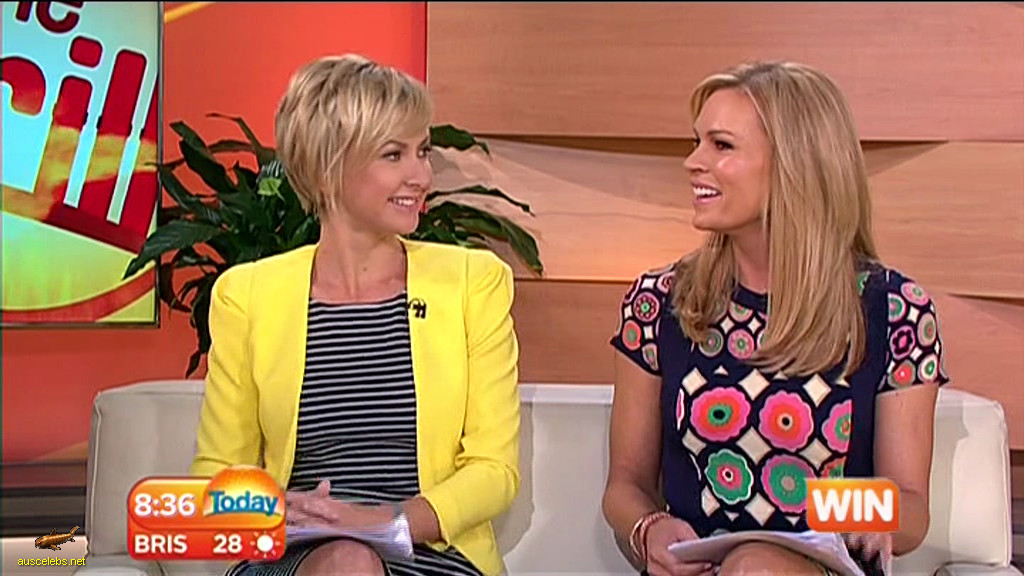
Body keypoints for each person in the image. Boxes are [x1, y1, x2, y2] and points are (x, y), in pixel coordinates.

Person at [603, 60, 949, 576]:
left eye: (721, 146)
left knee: (756, 568)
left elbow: (912, 507)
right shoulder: (658, 303)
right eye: (697, 142)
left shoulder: (895, 310)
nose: (693, 162)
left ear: (794, 164)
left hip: (825, 568)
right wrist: (648, 527)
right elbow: (625, 483)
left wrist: (836, 514)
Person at [190, 53, 521, 576]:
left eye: (423, 151)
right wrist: (273, 509)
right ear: (329, 167)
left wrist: (381, 523)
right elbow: (217, 472)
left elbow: (494, 469)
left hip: (428, 552)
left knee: (353, 559)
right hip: (295, 557)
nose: (421, 175)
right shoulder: (247, 296)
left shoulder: (472, 284)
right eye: (394, 154)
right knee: (348, 562)